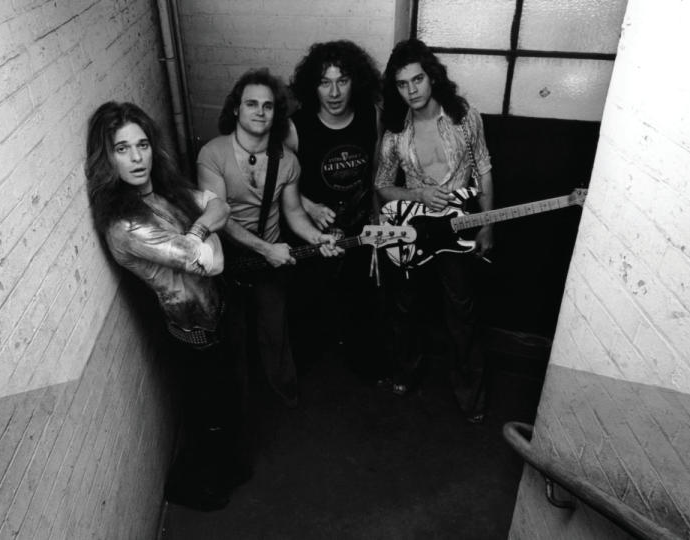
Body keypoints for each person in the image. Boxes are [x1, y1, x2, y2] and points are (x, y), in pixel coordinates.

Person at [85, 101, 243, 511]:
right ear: (107, 159)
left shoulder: (168, 192)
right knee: (207, 410)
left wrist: (200, 227)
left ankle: (226, 468)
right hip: (192, 331)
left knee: (226, 400)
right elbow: (210, 260)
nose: (137, 157)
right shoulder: (127, 226)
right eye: (122, 149)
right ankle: (193, 487)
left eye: (142, 145)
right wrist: (205, 226)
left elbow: (221, 204)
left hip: (218, 312)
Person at [197, 69, 339, 407]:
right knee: (231, 338)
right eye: (251, 104)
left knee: (275, 334)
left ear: (276, 113)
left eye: (268, 106)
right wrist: (267, 249)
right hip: (227, 262)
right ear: (236, 109)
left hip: (270, 263)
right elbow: (218, 218)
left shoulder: (286, 161)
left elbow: (294, 214)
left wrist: (318, 239)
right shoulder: (213, 154)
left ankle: (285, 397)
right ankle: (238, 405)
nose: (260, 112)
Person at [374, 39, 494, 423]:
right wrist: (419, 194)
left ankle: (470, 399)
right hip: (414, 229)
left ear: (432, 77)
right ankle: (405, 374)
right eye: (402, 83)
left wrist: (487, 224)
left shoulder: (465, 116)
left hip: (458, 231)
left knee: (462, 312)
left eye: (418, 79)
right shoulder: (395, 131)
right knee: (404, 306)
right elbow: (381, 185)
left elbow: (484, 171)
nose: (412, 90)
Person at [285, 40, 385, 377]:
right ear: (313, 86)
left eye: (342, 80)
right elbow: (281, 185)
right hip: (312, 229)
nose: (334, 91)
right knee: (309, 301)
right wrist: (310, 207)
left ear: (354, 81)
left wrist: (375, 215)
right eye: (325, 82)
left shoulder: (371, 116)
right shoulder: (296, 126)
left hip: (357, 225)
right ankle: (307, 367)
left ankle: (363, 366)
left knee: (361, 299)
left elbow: (376, 174)